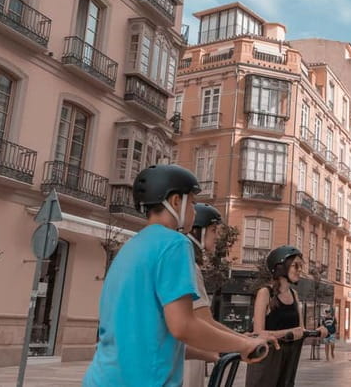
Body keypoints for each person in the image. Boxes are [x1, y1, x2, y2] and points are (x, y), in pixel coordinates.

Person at [83, 165, 270, 386]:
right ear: (175, 202)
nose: (194, 211)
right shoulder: (175, 243)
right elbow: (183, 326)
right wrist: (243, 345)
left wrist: (221, 348)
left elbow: (153, 340)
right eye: (192, 203)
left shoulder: (131, 247)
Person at [183, 204, 279, 387]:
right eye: (213, 230)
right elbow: (204, 321)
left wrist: (244, 339)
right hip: (183, 366)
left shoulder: (189, 264)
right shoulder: (189, 266)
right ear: (197, 231)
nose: (217, 236)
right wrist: (245, 342)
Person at [245, 245, 327, 387]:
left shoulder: (294, 295)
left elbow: (300, 330)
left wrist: (317, 332)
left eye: (301, 266)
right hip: (267, 361)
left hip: (288, 361)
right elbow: (258, 333)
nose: (300, 270)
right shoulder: (265, 293)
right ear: (281, 267)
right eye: (296, 266)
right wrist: (288, 332)